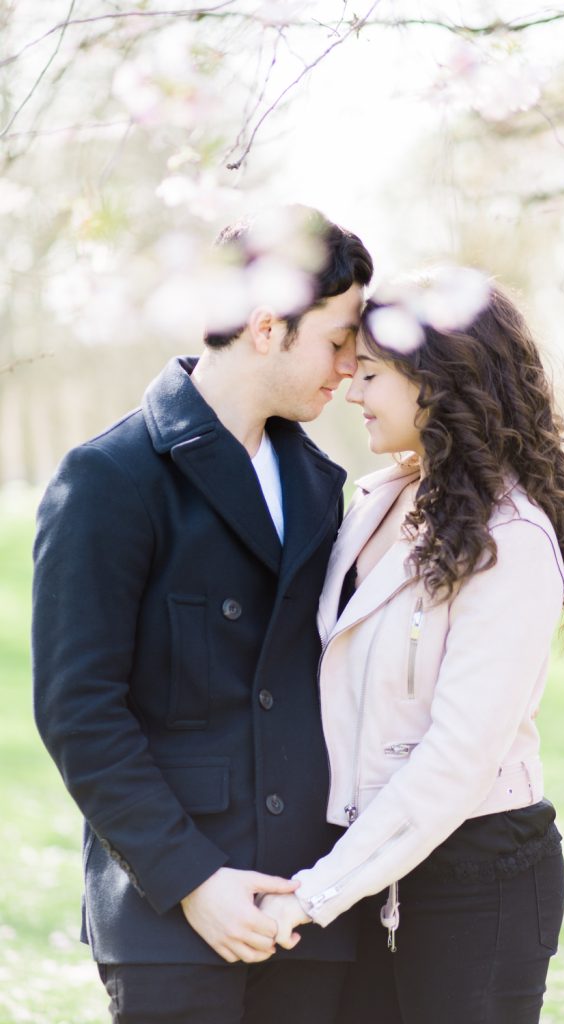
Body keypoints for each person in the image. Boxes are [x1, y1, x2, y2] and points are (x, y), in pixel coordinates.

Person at [31, 206, 373, 1024]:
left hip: (307, 907)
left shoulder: (325, 489)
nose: (353, 366)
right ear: (266, 327)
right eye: (337, 339)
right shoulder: (108, 479)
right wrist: (193, 880)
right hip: (169, 913)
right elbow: (79, 712)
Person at [261, 271, 564, 1023]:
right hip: (370, 866)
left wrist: (319, 889)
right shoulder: (371, 501)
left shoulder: (510, 540)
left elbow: (456, 758)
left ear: (437, 379)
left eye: (370, 374)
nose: (352, 393)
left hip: (476, 873)